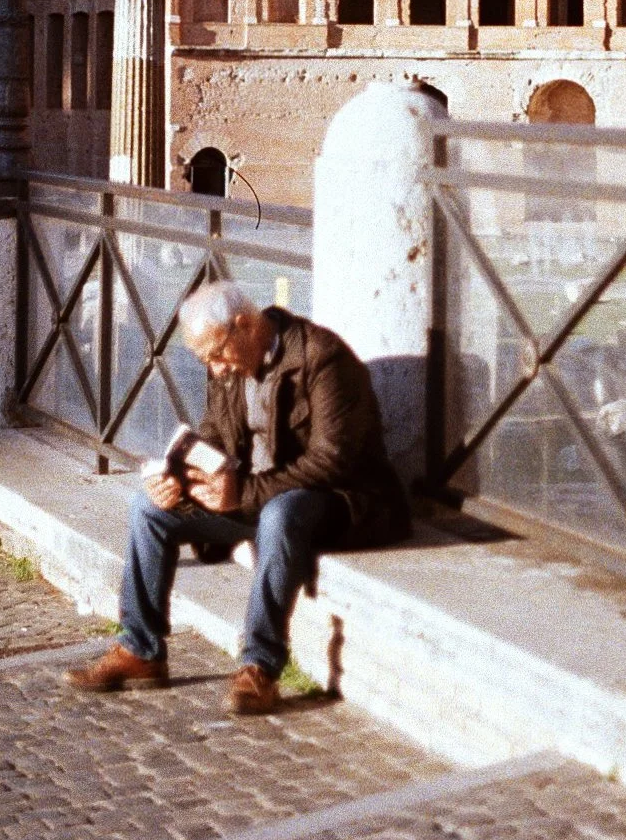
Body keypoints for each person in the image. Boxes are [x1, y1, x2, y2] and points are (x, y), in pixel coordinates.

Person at [67, 283, 411, 715]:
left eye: (216, 354)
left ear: (245, 326)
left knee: (282, 514)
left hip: (341, 501)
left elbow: (333, 460)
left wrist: (241, 494)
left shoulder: (322, 356)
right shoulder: (230, 367)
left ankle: (260, 667)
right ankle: (141, 650)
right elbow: (214, 435)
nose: (214, 369)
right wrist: (181, 478)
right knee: (149, 508)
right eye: (204, 361)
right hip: (255, 499)